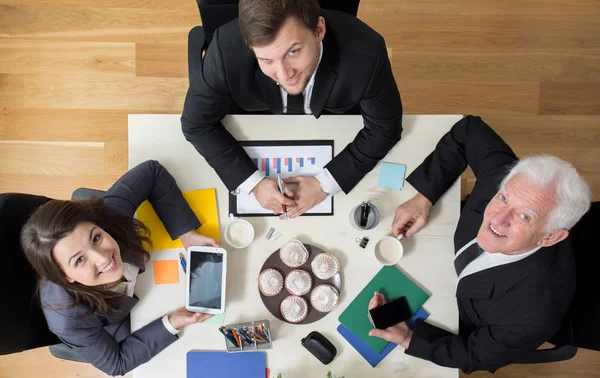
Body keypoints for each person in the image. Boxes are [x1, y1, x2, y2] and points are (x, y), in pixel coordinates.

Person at [367, 116, 591, 374]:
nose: (498, 218)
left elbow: (476, 354)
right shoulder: (508, 180)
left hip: (462, 309)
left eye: (524, 216)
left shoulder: (532, 315)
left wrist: (408, 339)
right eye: (503, 198)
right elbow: (468, 129)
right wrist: (424, 198)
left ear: (550, 237)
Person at [182, 0, 402, 218]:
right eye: (266, 60)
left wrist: (325, 184)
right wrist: (253, 183)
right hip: (257, 119)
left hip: (331, 121)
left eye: (293, 52)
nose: (284, 74)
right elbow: (196, 123)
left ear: (319, 29)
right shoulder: (224, 50)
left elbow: (385, 129)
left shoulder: (367, 52)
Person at [20, 160, 217, 376]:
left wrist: (186, 233)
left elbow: (152, 171)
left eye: (95, 238)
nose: (103, 258)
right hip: (112, 319)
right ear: (66, 277)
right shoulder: (69, 321)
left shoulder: (108, 216)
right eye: (79, 260)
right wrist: (172, 322)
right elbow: (117, 364)